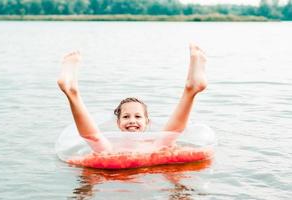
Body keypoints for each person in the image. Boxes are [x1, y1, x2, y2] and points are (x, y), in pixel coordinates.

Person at [57, 43, 207, 152]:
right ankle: (72, 92)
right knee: (96, 140)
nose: (132, 121)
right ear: (118, 123)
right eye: (126, 116)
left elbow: (173, 134)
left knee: (167, 139)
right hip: (114, 153)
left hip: (149, 152)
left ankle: (191, 89)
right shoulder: (112, 144)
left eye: (138, 116)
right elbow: (94, 138)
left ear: (147, 122)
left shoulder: (153, 142)